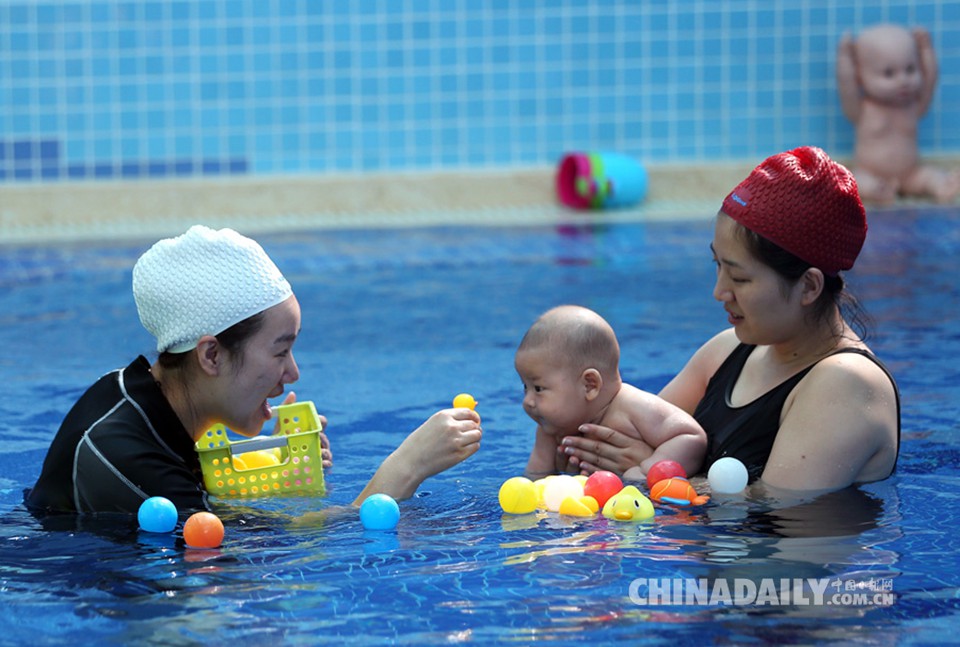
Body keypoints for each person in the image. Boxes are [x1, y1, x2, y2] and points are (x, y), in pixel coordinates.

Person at [25, 225, 482, 516]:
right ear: (211, 356)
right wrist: (405, 469)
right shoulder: (125, 457)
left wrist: (270, 464)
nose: (293, 373)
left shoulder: (135, 397)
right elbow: (277, 557)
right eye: (281, 352)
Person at [559, 146, 900, 492]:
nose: (719, 291)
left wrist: (652, 474)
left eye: (740, 278)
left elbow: (781, 506)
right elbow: (614, 437)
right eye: (718, 266)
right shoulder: (724, 352)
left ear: (809, 286)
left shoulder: (847, 384)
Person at [515, 304, 706, 480]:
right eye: (525, 387)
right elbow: (535, 478)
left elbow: (689, 437)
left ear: (589, 385)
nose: (527, 401)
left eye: (538, 388)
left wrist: (647, 472)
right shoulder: (551, 429)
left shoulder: (633, 407)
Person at [836, 23, 960, 204]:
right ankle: (876, 190)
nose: (903, 81)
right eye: (888, 73)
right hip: (869, 172)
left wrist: (926, 50)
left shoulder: (913, 107)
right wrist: (844, 58)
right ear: (860, 77)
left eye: (910, 69)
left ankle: (943, 185)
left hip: (910, 174)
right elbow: (846, 86)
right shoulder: (861, 110)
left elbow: (930, 81)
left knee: (928, 175)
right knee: (853, 179)